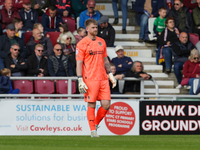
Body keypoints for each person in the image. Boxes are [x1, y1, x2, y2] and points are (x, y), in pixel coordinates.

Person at [76, 19, 116, 137]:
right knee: (91, 104)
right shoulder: (82, 43)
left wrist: (110, 74)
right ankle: (93, 131)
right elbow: (78, 63)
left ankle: (96, 124)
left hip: (103, 77)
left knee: (106, 105)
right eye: (93, 27)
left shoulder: (102, 41)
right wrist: (80, 79)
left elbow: (105, 60)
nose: (95, 29)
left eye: (96, 27)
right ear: (87, 29)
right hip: (90, 78)